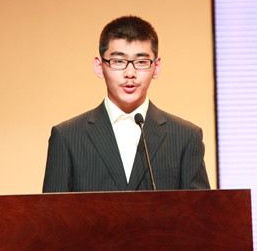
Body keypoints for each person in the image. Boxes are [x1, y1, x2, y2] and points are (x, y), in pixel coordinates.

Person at [42, 15, 210, 192]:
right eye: (118, 61)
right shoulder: (67, 137)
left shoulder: (185, 137)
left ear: (156, 67)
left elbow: (199, 208)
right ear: (99, 67)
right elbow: (53, 208)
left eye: (141, 62)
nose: (130, 73)